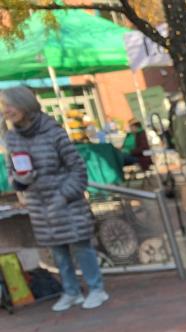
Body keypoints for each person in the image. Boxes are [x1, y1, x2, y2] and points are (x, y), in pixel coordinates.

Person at [1, 86, 108, 311]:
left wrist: (63, 195)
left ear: (24, 104)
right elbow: (13, 171)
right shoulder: (12, 138)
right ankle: (71, 291)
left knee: (81, 246)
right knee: (56, 249)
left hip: (64, 201)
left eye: (10, 104)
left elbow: (78, 169)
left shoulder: (53, 132)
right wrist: (21, 180)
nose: (6, 110)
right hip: (39, 204)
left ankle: (96, 288)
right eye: (3, 106)